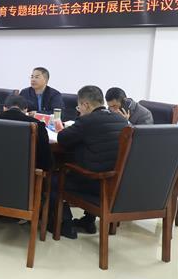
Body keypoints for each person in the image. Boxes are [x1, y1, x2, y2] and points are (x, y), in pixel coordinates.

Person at [53, 85, 129, 238]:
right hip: (116, 184)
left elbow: (63, 138)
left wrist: (78, 121)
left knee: (53, 178)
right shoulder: (122, 120)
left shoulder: (87, 121)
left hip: (94, 184)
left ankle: (65, 224)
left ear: (86, 105)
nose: (79, 110)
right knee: (96, 161)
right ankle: (88, 221)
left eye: (79, 107)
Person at [0, 95, 53, 172]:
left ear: (4, 108)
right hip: (25, 171)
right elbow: (46, 160)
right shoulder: (37, 124)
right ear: (25, 110)